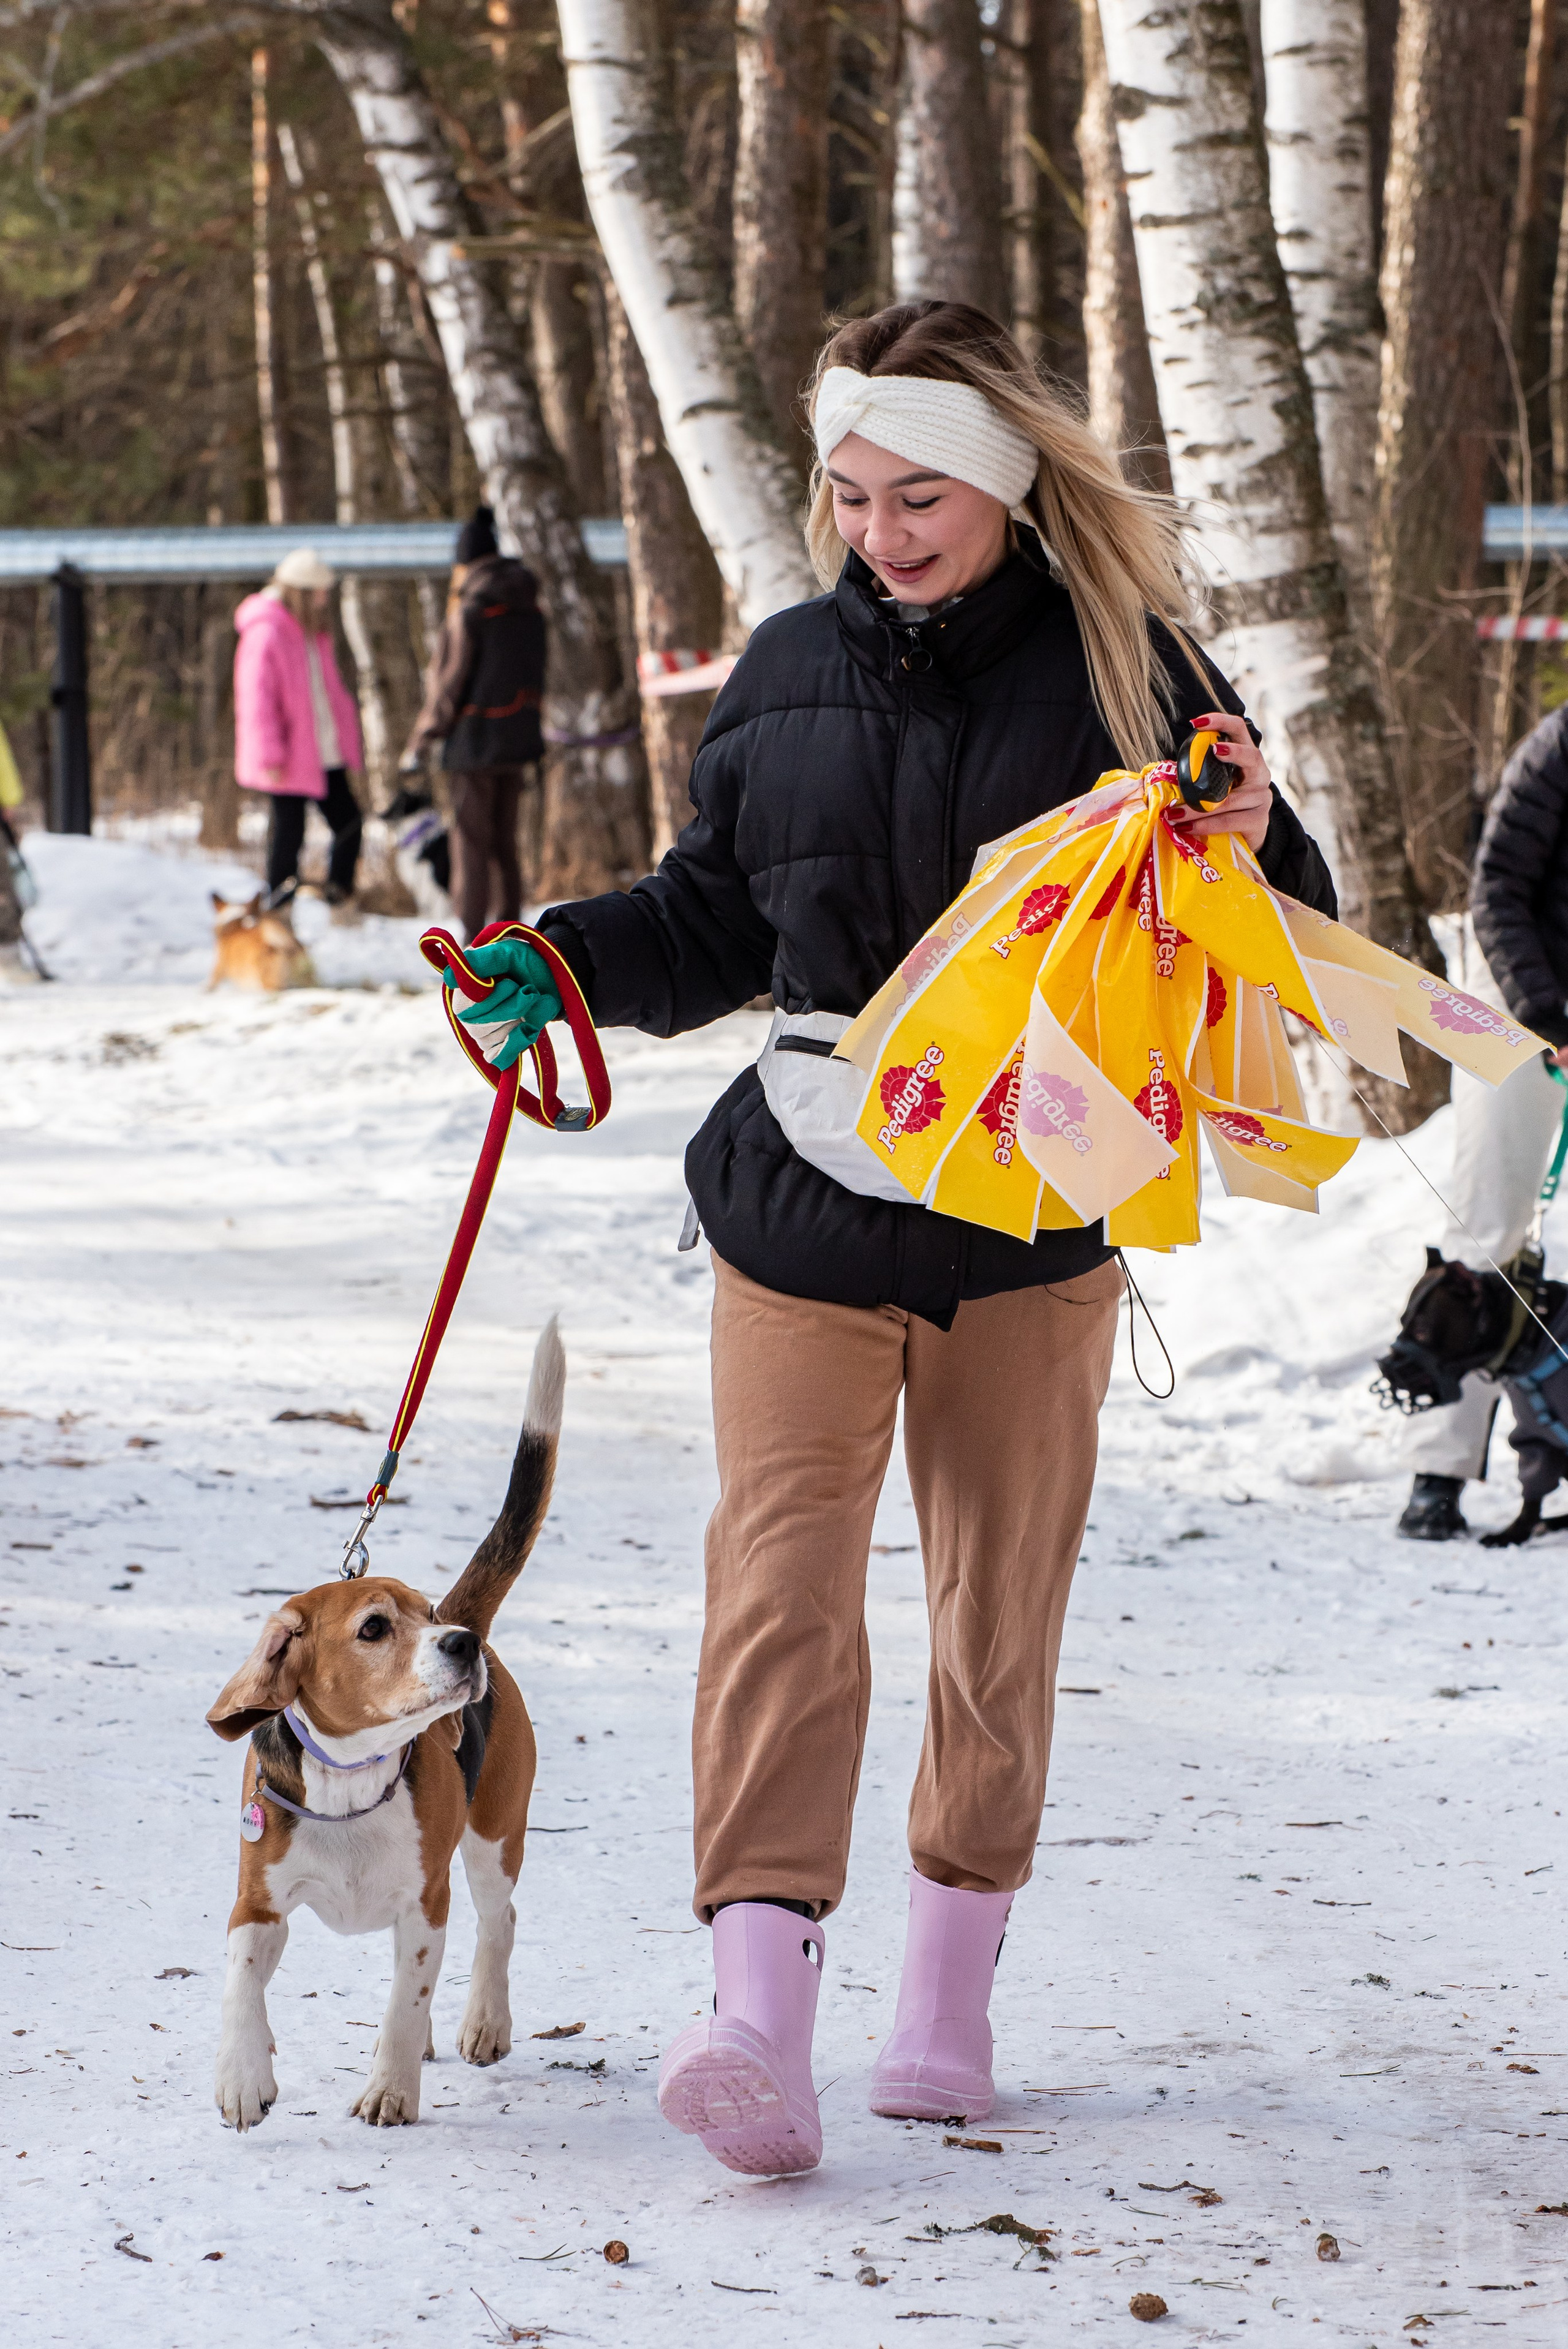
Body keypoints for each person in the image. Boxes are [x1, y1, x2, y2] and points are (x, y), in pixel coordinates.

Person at [447, 302, 1336, 2176]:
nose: (880, 530)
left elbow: (1278, 922)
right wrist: (567, 959)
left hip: (1025, 1225)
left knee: (990, 1614)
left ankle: (944, 1997)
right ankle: (754, 2011)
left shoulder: (1130, 676)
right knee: (776, 1590)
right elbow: (715, 914)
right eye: (850, 495)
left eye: (917, 495)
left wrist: (1256, 840)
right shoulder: (777, 677)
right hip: (808, 1197)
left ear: (1006, 484)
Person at [1395, 707, 1568, 1540]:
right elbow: (1497, 883)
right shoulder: (1561, 740)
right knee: (1488, 1222)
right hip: (1518, 992)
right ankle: (1438, 1465)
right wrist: (1548, 1017)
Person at [401, 505, 546, 941]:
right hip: (519, 739)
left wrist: (422, 738)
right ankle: (512, 931)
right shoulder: (529, 606)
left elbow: (450, 683)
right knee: (506, 843)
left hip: (472, 745)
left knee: (471, 847)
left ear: (464, 562)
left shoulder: (470, 609)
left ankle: (473, 939)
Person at [233, 549, 364, 905]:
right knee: (289, 835)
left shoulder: (311, 633)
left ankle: (339, 897)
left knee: (350, 824)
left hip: (324, 750)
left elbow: (325, 694)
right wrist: (269, 753)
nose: (325, 599)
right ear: (302, 592)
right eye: (320, 592)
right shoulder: (266, 632)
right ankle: (278, 913)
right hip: (288, 753)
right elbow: (257, 701)